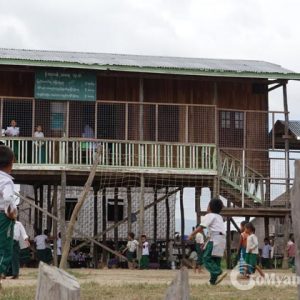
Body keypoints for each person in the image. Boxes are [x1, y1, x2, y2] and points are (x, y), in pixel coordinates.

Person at [189, 198, 227, 285]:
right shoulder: (219, 217)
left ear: (210, 207)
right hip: (221, 239)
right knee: (216, 259)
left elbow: (201, 227)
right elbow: (212, 232)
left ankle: (218, 271)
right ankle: (212, 281)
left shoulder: (209, 215)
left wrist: (192, 234)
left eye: (208, 205)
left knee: (206, 258)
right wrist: (205, 243)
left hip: (214, 239)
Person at [0, 146, 17, 285]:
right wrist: (10, 213)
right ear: (12, 162)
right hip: (3, 217)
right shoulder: (6, 180)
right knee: (5, 248)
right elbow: (8, 198)